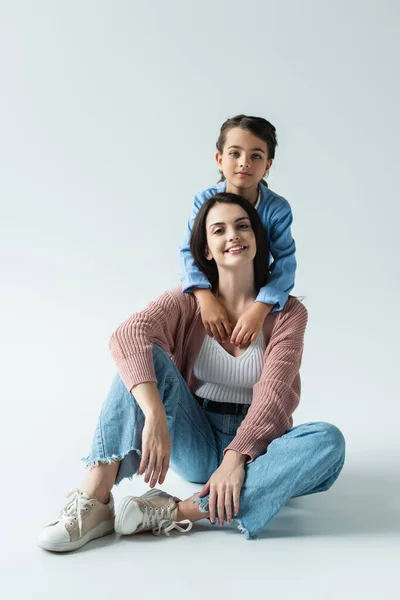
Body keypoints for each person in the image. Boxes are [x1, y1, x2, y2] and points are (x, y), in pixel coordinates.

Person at [37, 193, 345, 552]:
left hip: (259, 450)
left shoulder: (288, 313)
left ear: (258, 240)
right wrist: (153, 413)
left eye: (243, 226)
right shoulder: (186, 301)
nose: (233, 235)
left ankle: (178, 510)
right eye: (219, 230)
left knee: (328, 442)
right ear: (207, 250)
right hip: (195, 435)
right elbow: (128, 335)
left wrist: (236, 458)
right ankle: (96, 499)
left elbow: (274, 397)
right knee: (141, 356)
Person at [180, 114, 297, 348]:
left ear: (268, 166)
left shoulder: (277, 209)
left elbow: (285, 261)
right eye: (235, 153)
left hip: (252, 292)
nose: (245, 162)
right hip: (211, 288)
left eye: (256, 156)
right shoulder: (204, 200)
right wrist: (205, 298)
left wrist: (260, 309)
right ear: (219, 159)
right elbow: (188, 251)